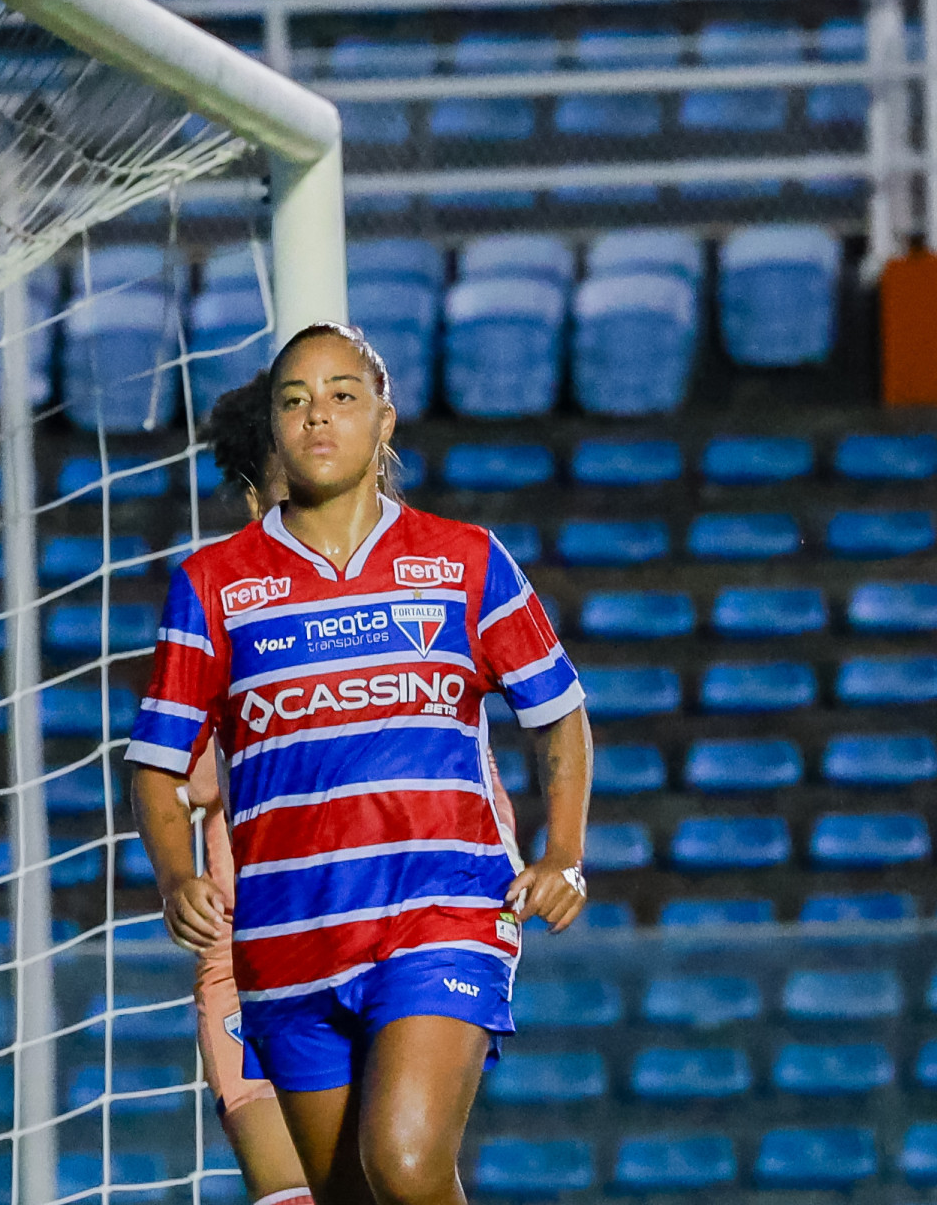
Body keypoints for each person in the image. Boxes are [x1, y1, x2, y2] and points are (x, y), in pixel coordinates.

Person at [127, 324, 592, 1205]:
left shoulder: (463, 561)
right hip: (282, 938)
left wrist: (563, 852)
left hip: (439, 910)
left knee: (406, 1164)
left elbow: (560, 715)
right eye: (295, 401)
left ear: (386, 420)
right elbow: (156, 761)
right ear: (273, 430)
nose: (318, 418)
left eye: (344, 396)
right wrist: (176, 875)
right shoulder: (213, 586)